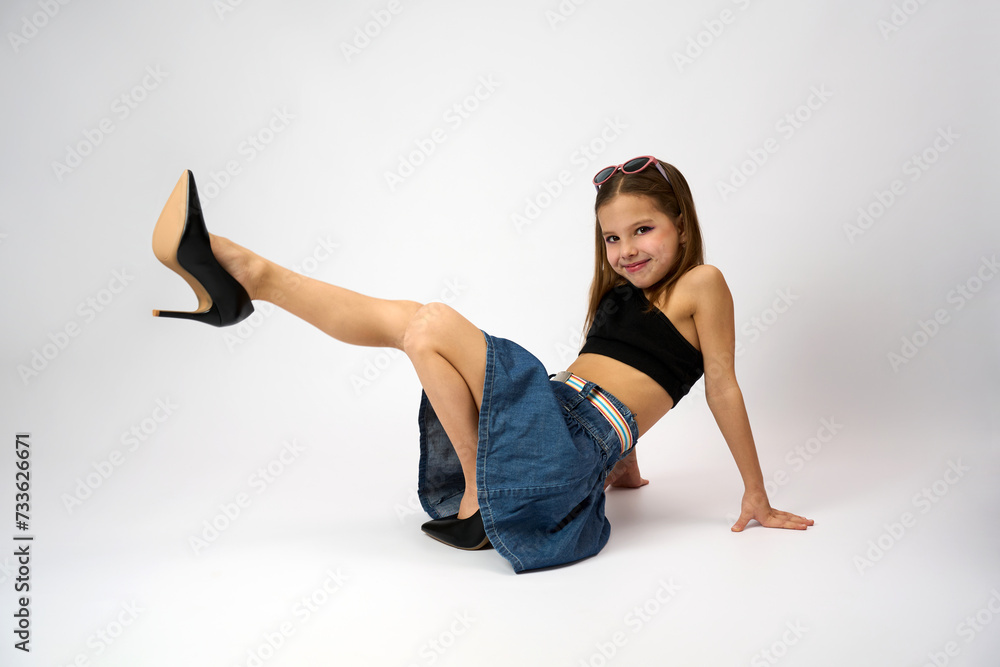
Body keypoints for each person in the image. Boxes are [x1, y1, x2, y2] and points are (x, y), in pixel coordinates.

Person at [151, 156, 813, 574]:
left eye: (643, 230)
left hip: (568, 440)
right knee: (415, 329)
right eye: (612, 237)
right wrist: (627, 468)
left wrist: (755, 491)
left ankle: (479, 497)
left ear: (682, 226)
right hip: (563, 423)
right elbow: (623, 380)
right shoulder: (618, 296)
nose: (626, 249)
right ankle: (247, 276)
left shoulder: (703, 282)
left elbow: (719, 384)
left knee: (432, 321)